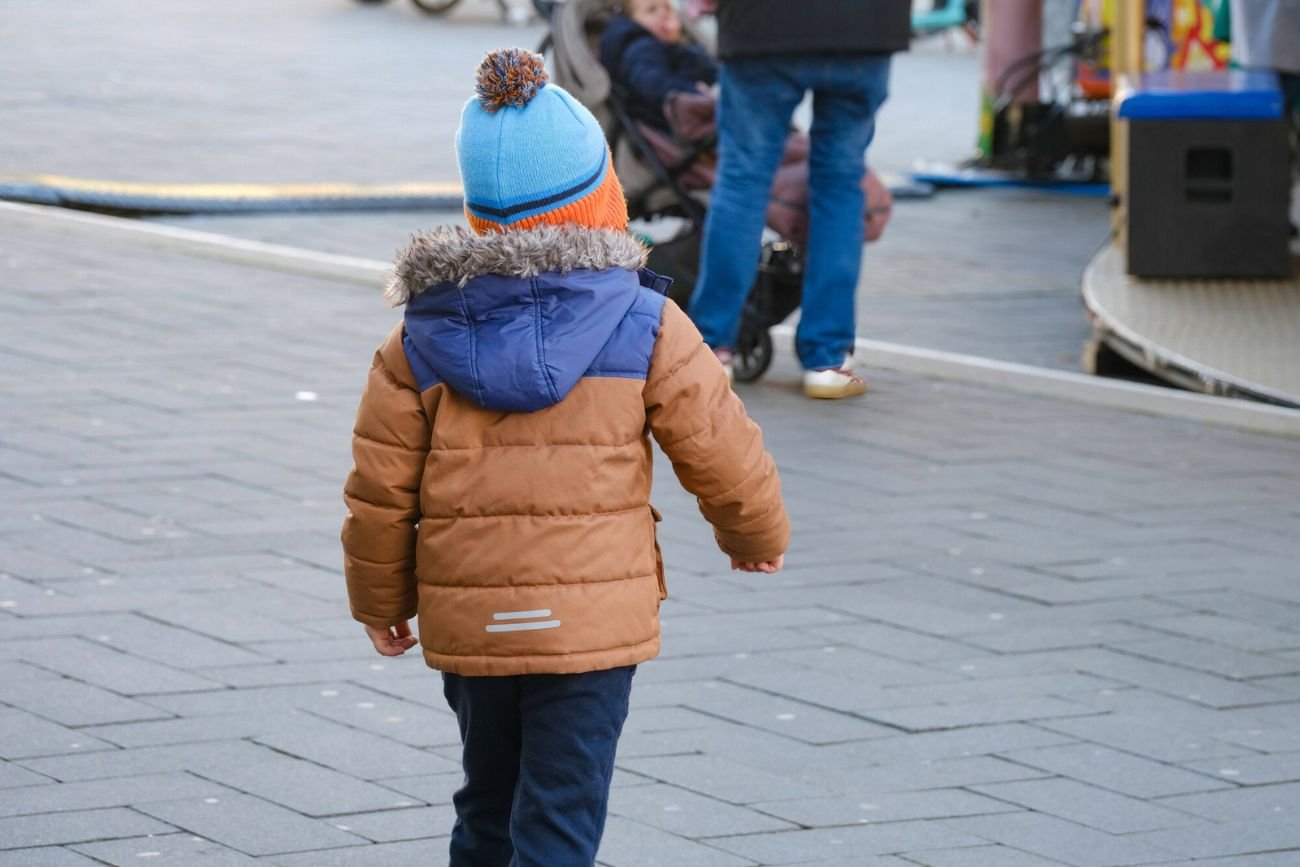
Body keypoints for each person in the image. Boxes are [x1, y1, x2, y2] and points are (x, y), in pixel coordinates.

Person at [340, 48, 790, 867]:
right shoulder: (647, 325)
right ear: (601, 201)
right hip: (590, 625)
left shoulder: (418, 339)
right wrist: (753, 534)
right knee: (561, 811)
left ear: (477, 214)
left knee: (486, 801)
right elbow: (720, 447)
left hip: (470, 616)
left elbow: (380, 489)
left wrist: (379, 597)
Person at [688, 0, 911, 398]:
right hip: (867, 26)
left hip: (763, 24)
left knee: (742, 182)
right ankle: (827, 359)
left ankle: (712, 347)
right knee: (840, 184)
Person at [597, 0, 894, 246]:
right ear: (629, 20)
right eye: (651, 10)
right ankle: (831, 316)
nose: (664, 15)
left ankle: (717, 316)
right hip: (867, 30)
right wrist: (695, 96)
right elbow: (653, 84)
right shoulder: (640, 46)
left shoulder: (674, 47)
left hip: (760, 37)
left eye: (666, 8)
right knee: (836, 176)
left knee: (747, 181)